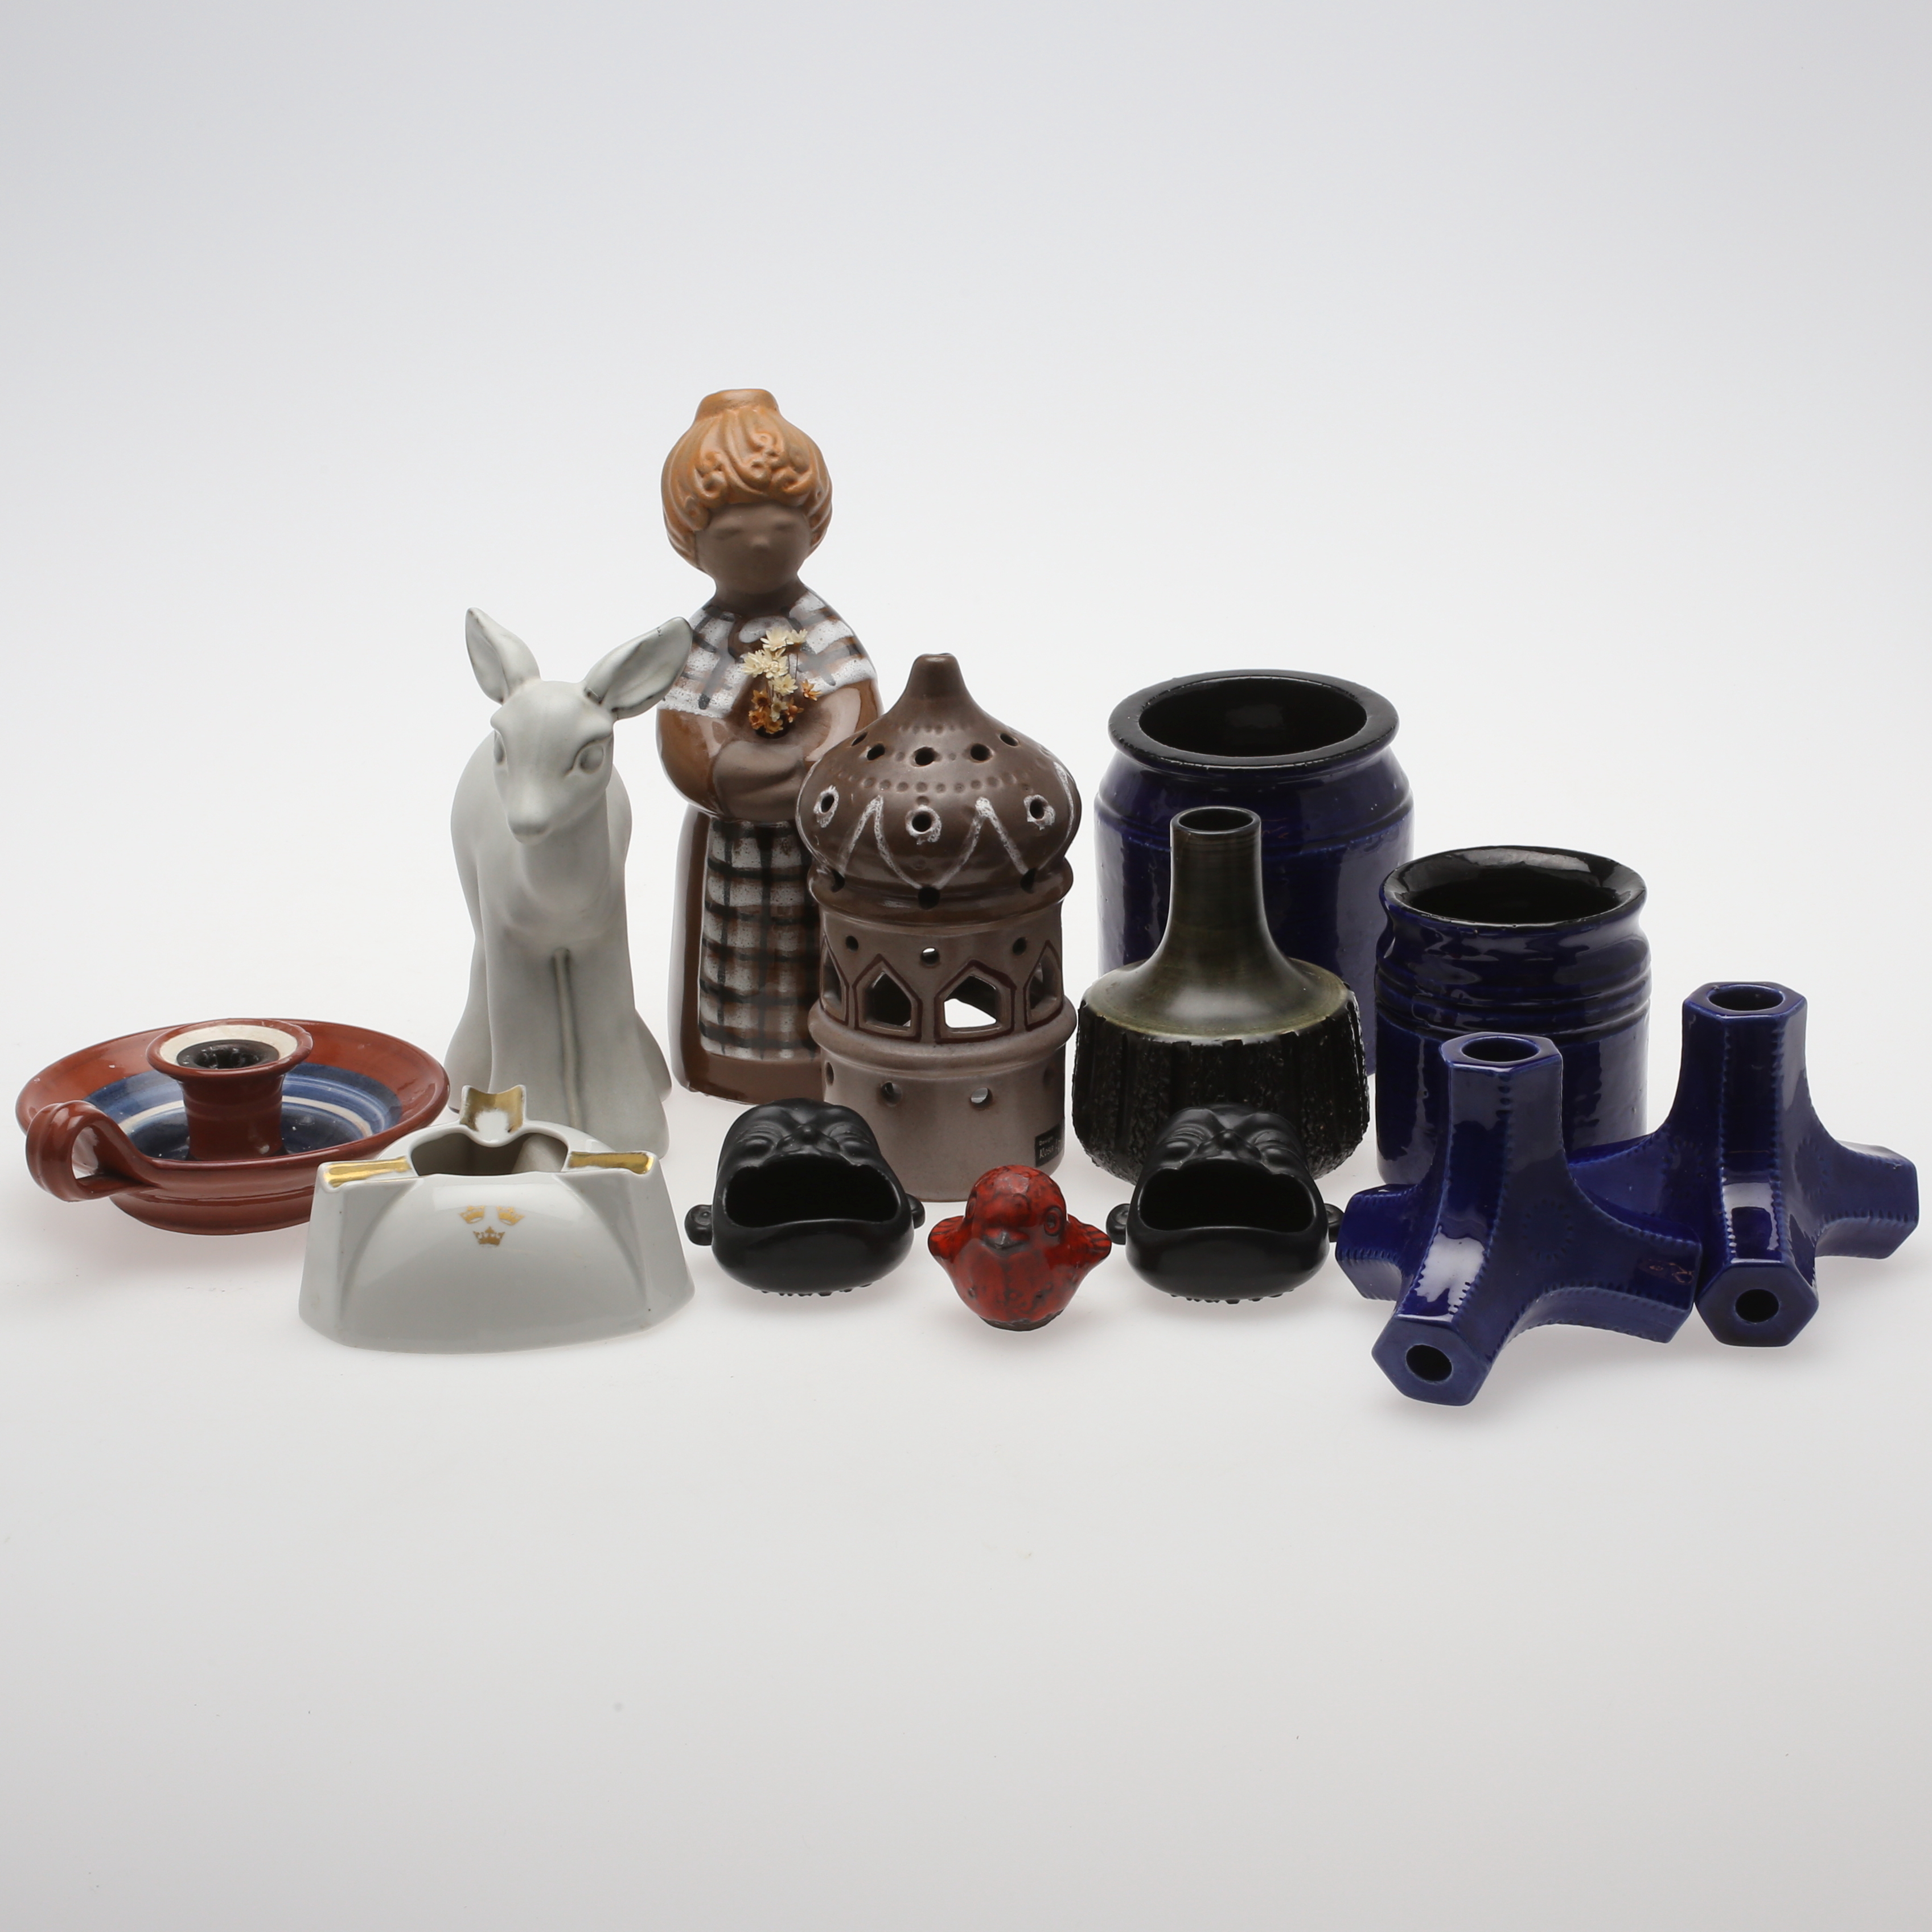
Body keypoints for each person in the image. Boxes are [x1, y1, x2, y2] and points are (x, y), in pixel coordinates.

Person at [656, 389, 880, 1100]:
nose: (758, 542)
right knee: (729, 962)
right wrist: (731, 769)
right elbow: (687, 738)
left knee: (826, 954)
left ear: (811, 528)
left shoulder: (823, 631)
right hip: (731, 848)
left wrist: (814, 764)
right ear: (692, 540)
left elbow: (853, 717)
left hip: (821, 844)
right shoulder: (696, 642)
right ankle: (726, 1062)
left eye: (779, 524)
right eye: (732, 529)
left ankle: (826, 1058)